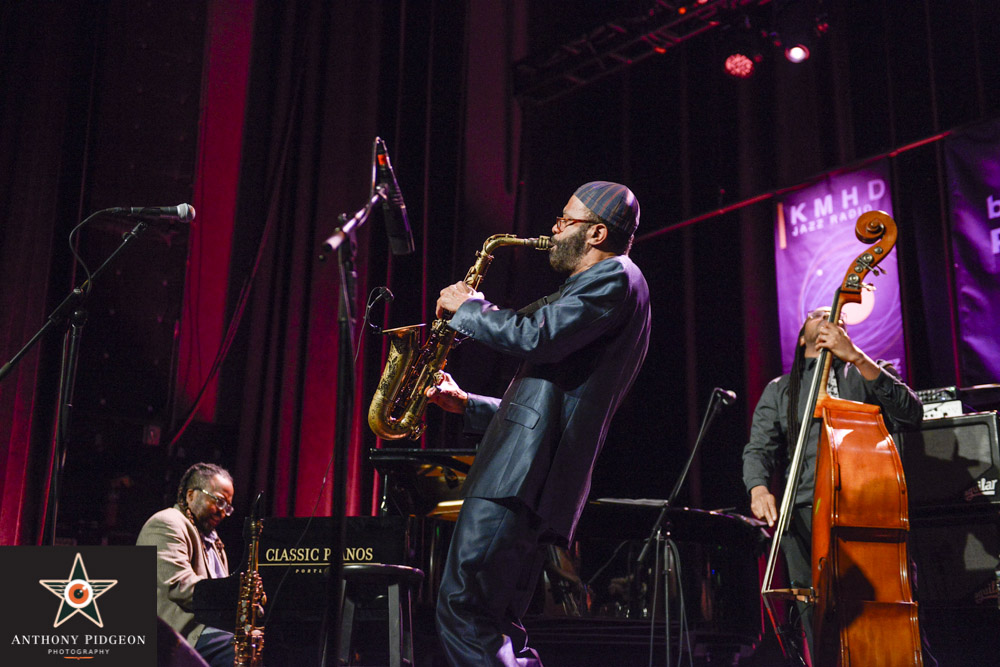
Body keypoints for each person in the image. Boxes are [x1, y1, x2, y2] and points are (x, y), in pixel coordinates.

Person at [426, 181, 651, 666]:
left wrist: (470, 308)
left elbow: (537, 338)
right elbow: (552, 406)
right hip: (527, 476)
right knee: (495, 623)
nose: (554, 228)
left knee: (465, 611)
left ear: (596, 233)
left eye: (565, 220)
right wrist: (467, 404)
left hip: (520, 478)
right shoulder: (603, 286)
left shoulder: (613, 277)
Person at [742, 307, 923, 661]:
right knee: (818, 620)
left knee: (887, 607)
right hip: (804, 514)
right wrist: (758, 487)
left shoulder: (868, 371)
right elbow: (759, 448)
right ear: (801, 338)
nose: (829, 314)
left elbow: (911, 414)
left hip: (867, 508)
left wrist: (856, 357)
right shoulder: (780, 389)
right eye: (817, 314)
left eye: (835, 313)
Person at [137, 462, 236, 667]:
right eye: (219, 501)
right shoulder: (167, 523)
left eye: (227, 507)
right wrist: (233, 597)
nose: (222, 512)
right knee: (237, 649)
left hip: (206, 632)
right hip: (175, 635)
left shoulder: (214, 540)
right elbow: (179, 585)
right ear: (191, 495)